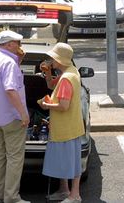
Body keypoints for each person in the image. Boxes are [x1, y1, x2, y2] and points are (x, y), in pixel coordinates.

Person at [0, 30, 30, 203]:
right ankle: (11, 197)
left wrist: (19, 60)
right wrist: (24, 114)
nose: (19, 46)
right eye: (17, 43)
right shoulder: (9, 62)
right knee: (15, 158)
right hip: (12, 118)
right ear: (9, 44)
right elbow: (10, 89)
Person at [39, 43, 85, 203]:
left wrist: (46, 105)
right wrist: (47, 73)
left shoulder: (66, 79)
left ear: (60, 59)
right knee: (65, 160)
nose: (51, 60)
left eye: (53, 58)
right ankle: (65, 191)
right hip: (70, 126)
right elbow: (51, 85)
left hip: (66, 127)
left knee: (71, 162)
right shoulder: (71, 71)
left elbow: (64, 106)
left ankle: (75, 195)